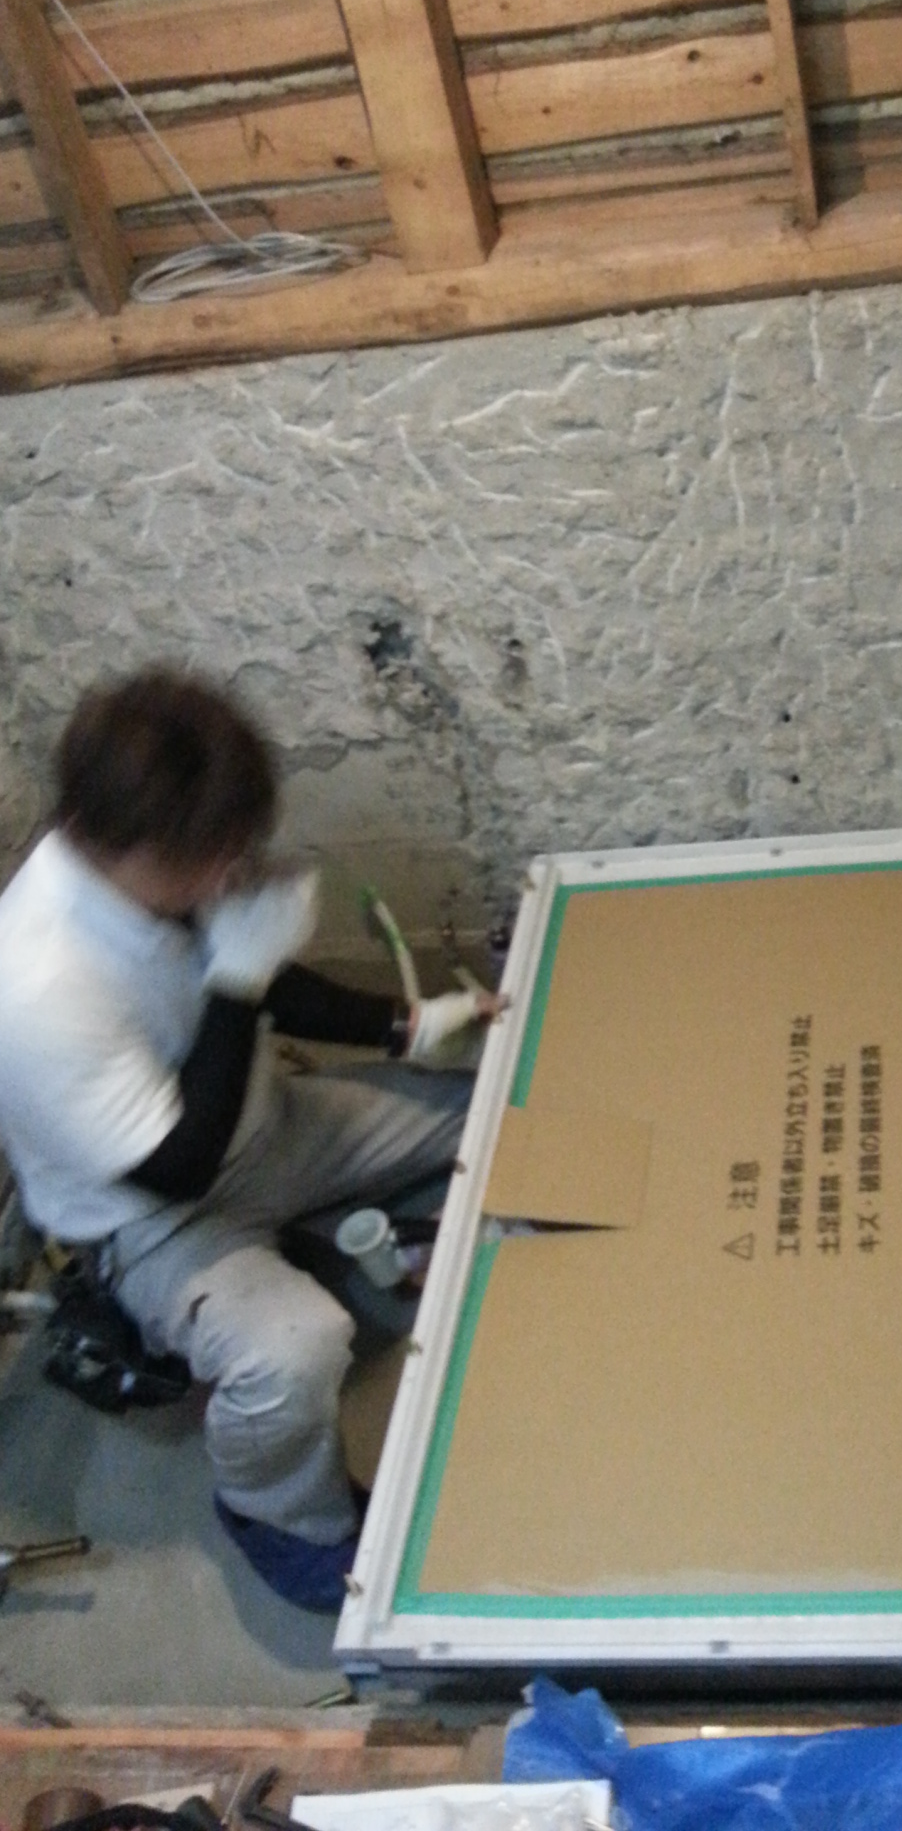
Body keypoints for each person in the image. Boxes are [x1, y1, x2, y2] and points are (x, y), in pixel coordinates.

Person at [0, 667, 496, 1611]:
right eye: (218, 856)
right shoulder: (33, 988)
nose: (236, 871)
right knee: (298, 1347)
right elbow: (178, 1170)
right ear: (133, 846)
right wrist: (236, 978)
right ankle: (278, 1515)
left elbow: (258, 976)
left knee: (486, 1099)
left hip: (260, 1125)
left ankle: (314, 1226)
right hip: (154, 1223)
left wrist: (409, 1027)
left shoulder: (151, 872)